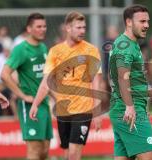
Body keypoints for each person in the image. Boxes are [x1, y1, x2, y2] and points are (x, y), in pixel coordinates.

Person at [29, 11, 102, 160]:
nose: (82, 31)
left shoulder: (91, 50)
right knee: (67, 152)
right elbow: (47, 82)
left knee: (74, 154)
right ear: (68, 28)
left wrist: (97, 110)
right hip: (63, 110)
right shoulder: (55, 51)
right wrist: (35, 103)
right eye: (78, 27)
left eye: (84, 27)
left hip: (83, 109)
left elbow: (96, 82)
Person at [109, 5, 152, 160]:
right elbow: (122, 77)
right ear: (129, 22)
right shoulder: (126, 46)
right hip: (130, 110)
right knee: (150, 157)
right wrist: (130, 106)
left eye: (147, 21)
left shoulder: (130, 44)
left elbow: (135, 80)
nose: (147, 25)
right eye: (142, 21)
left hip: (121, 109)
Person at [1, 13, 53, 160]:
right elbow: (5, 74)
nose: (43, 29)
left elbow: (46, 78)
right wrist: (22, 95)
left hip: (44, 104)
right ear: (29, 29)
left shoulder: (43, 47)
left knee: (45, 150)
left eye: (44, 26)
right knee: (34, 149)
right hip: (29, 105)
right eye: (38, 26)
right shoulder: (21, 49)